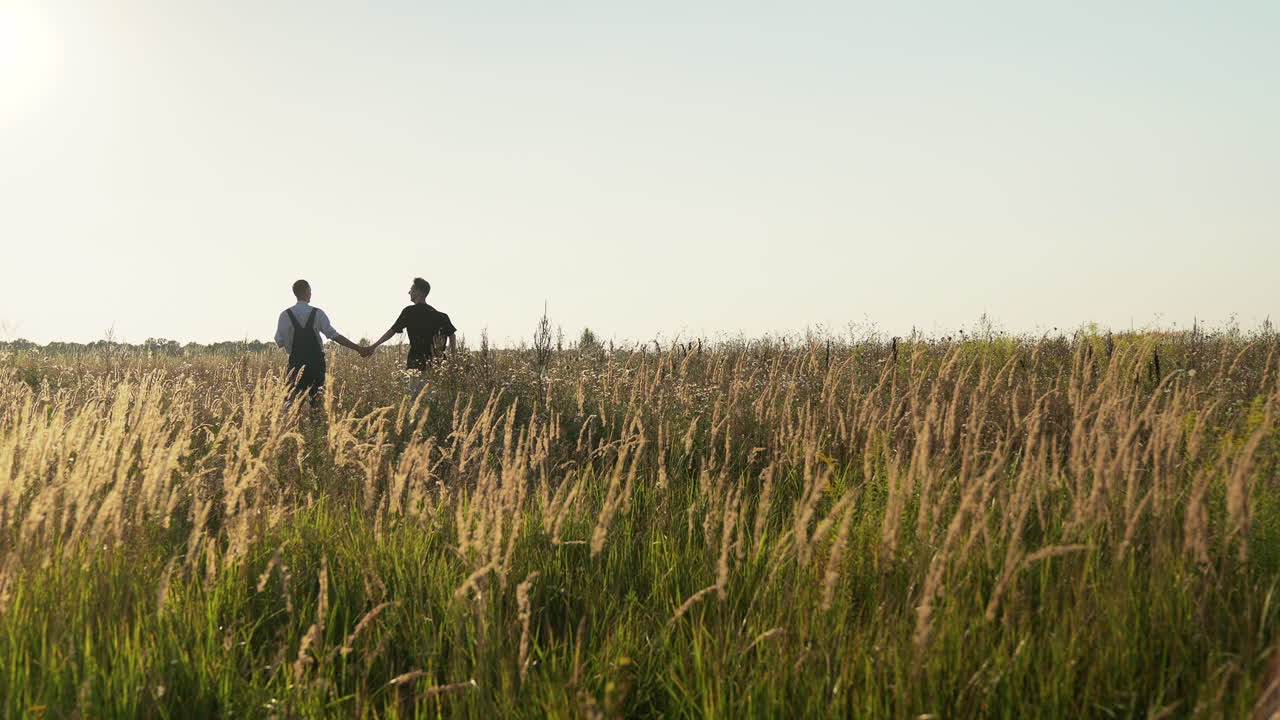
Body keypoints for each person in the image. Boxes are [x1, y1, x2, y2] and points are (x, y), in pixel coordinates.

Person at [274, 279, 366, 407]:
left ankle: (293, 425)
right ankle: (315, 421)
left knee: (292, 402)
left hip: (296, 363)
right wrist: (358, 348)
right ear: (307, 291)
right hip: (316, 363)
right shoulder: (317, 313)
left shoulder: (285, 315)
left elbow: (279, 342)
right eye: (310, 291)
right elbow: (334, 336)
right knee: (316, 401)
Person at [365, 277, 457, 370]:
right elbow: (452, 335)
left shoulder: (409, 312)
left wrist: (373, 346)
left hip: (416, 366)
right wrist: (452, 358)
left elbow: (392, 331)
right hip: (438, 366)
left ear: (418, 292)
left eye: (411, 289)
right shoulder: (442, 317)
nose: (409, 292)